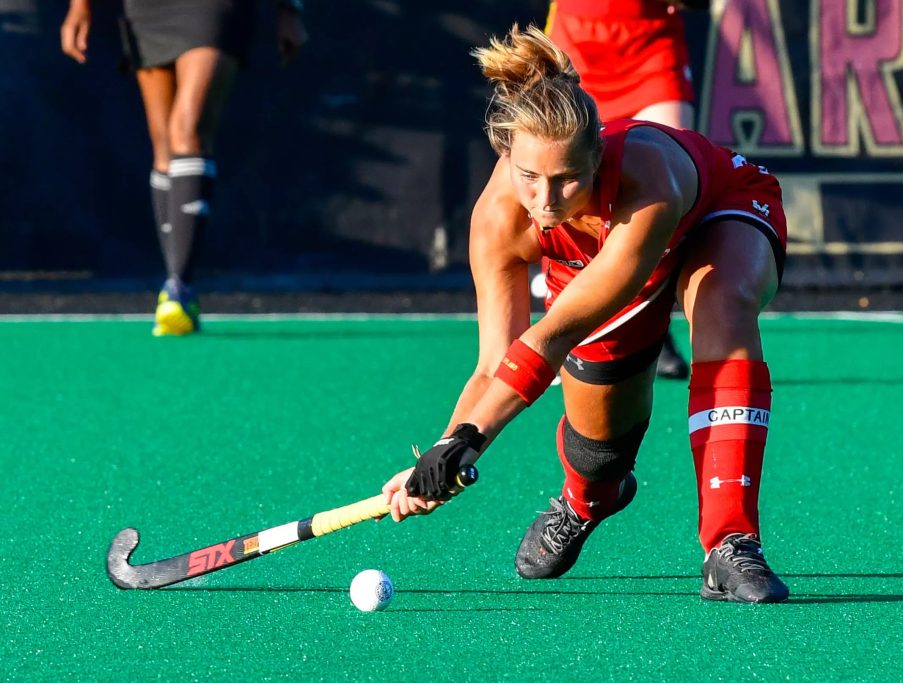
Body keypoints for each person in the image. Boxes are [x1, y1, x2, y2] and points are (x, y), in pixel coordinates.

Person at [382, 25, 789, 604]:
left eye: (568, 177)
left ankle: (730, 545)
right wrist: (444, 453)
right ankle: (585, 500)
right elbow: (495, 362)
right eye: (529, 177)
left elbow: (552, 334)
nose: (546, 199)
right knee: (600, 450)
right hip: (598, 266)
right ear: (505, 156)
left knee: (721, 301)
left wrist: (473, 438)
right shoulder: (498, 224)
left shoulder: (647, 180)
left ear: (598, 154)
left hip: (718, 210)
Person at [60, 0, 308, 336]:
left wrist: (290, 10)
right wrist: (80, 7)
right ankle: (176, 289)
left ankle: (180, 287)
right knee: (164, 147)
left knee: (187, 131)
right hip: (147, 11)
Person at [544, 0, 709, 380]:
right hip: (577, 37)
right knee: (564, 187)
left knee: (672, 181)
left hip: (651, 37)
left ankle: (654, 325)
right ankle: (560, 330)